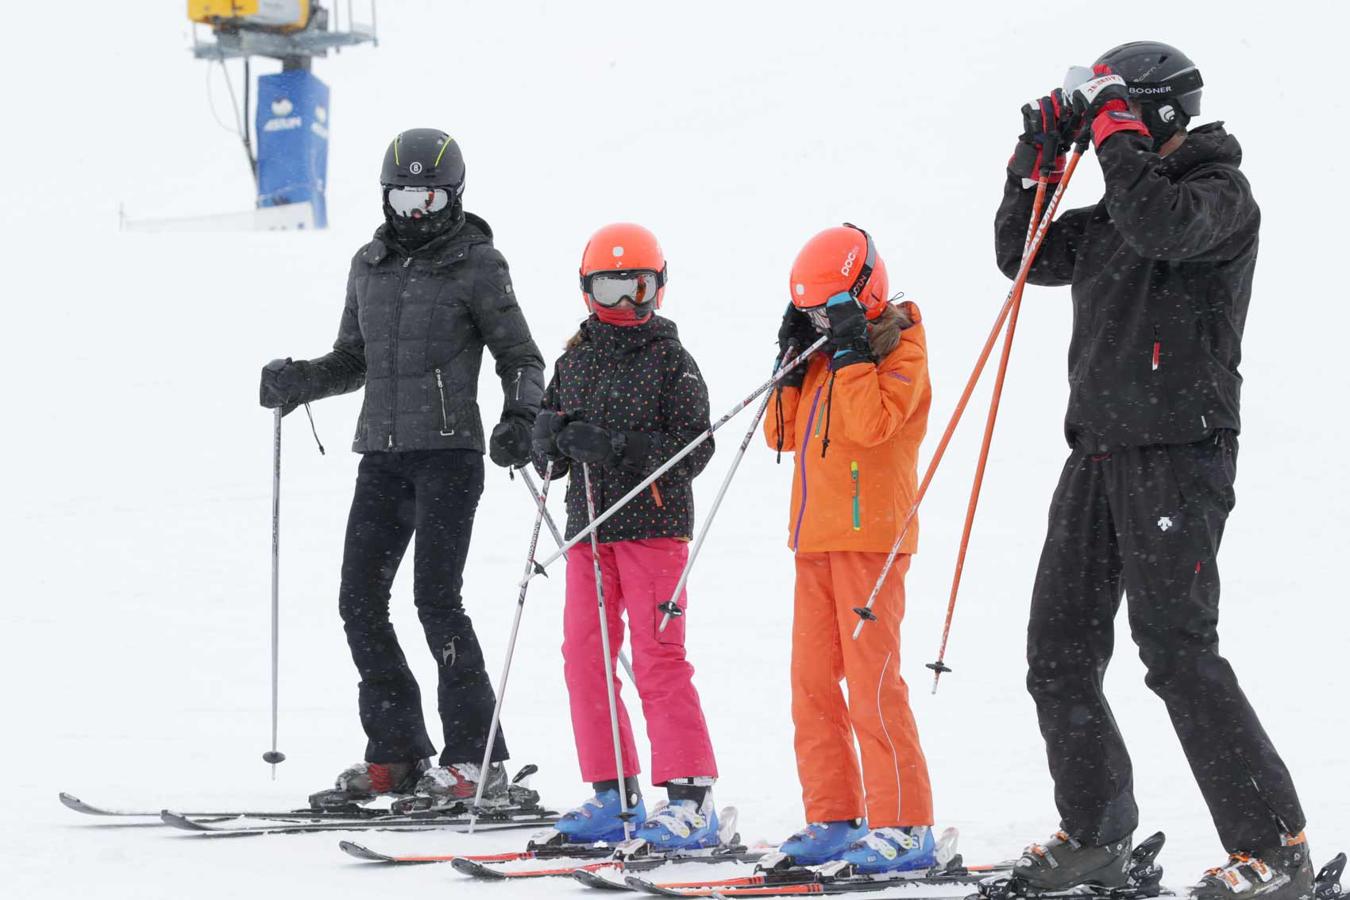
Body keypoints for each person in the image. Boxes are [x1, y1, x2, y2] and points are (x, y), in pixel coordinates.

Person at [995, 43, 1310, 899]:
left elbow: (1160, 224)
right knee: (1056, 651)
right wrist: (1040, 154)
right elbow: (1020, 255)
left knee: (1176, 651)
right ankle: (1096, 835)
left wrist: (1111, 131)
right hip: (1096, 453)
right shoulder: (1111, 216)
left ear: (1155, 113)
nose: (1109, 131)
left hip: (1179, 454)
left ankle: (1275, 849)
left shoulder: (1220, 199)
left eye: (1121, 111)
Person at [258, 128, 545, 809]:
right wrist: (300, 380)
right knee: (358, 601)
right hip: (381, 458)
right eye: (402, 196)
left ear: (454, 197)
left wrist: (521, 421)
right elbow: (352, 359)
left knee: (436, 602)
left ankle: (476, 761)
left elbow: (522, 358)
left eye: (428, 197)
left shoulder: (478, 264)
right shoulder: (370, 263)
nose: (414, 211)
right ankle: (397, 753)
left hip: (449, 456)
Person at [531, 223, 721, 850]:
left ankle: (691, 799)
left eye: (636, 287)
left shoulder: (672, 359)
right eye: (609, 288)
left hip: (654, 529)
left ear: (658, 289)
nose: (622, 304)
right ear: (586, 290)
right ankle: (614, 793)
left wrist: (617, 448)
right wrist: (541, 441)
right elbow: (553, 435)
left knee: (659, 654)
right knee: (584, 655)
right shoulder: (575, 357)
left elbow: (696, 448)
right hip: (588, 527)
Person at [762, 224, 935, 872]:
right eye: (808, 311)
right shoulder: (819, 359)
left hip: (871, 544)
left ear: (865, 293)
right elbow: (780, 437)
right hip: (813, 542)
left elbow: (871, 426)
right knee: (811, 684)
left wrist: (853, 352)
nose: (818, 321)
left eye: (826, 309)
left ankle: (905, 824)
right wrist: (787, 364)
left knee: (873, 685)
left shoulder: (901, 349)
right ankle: (835, 814)